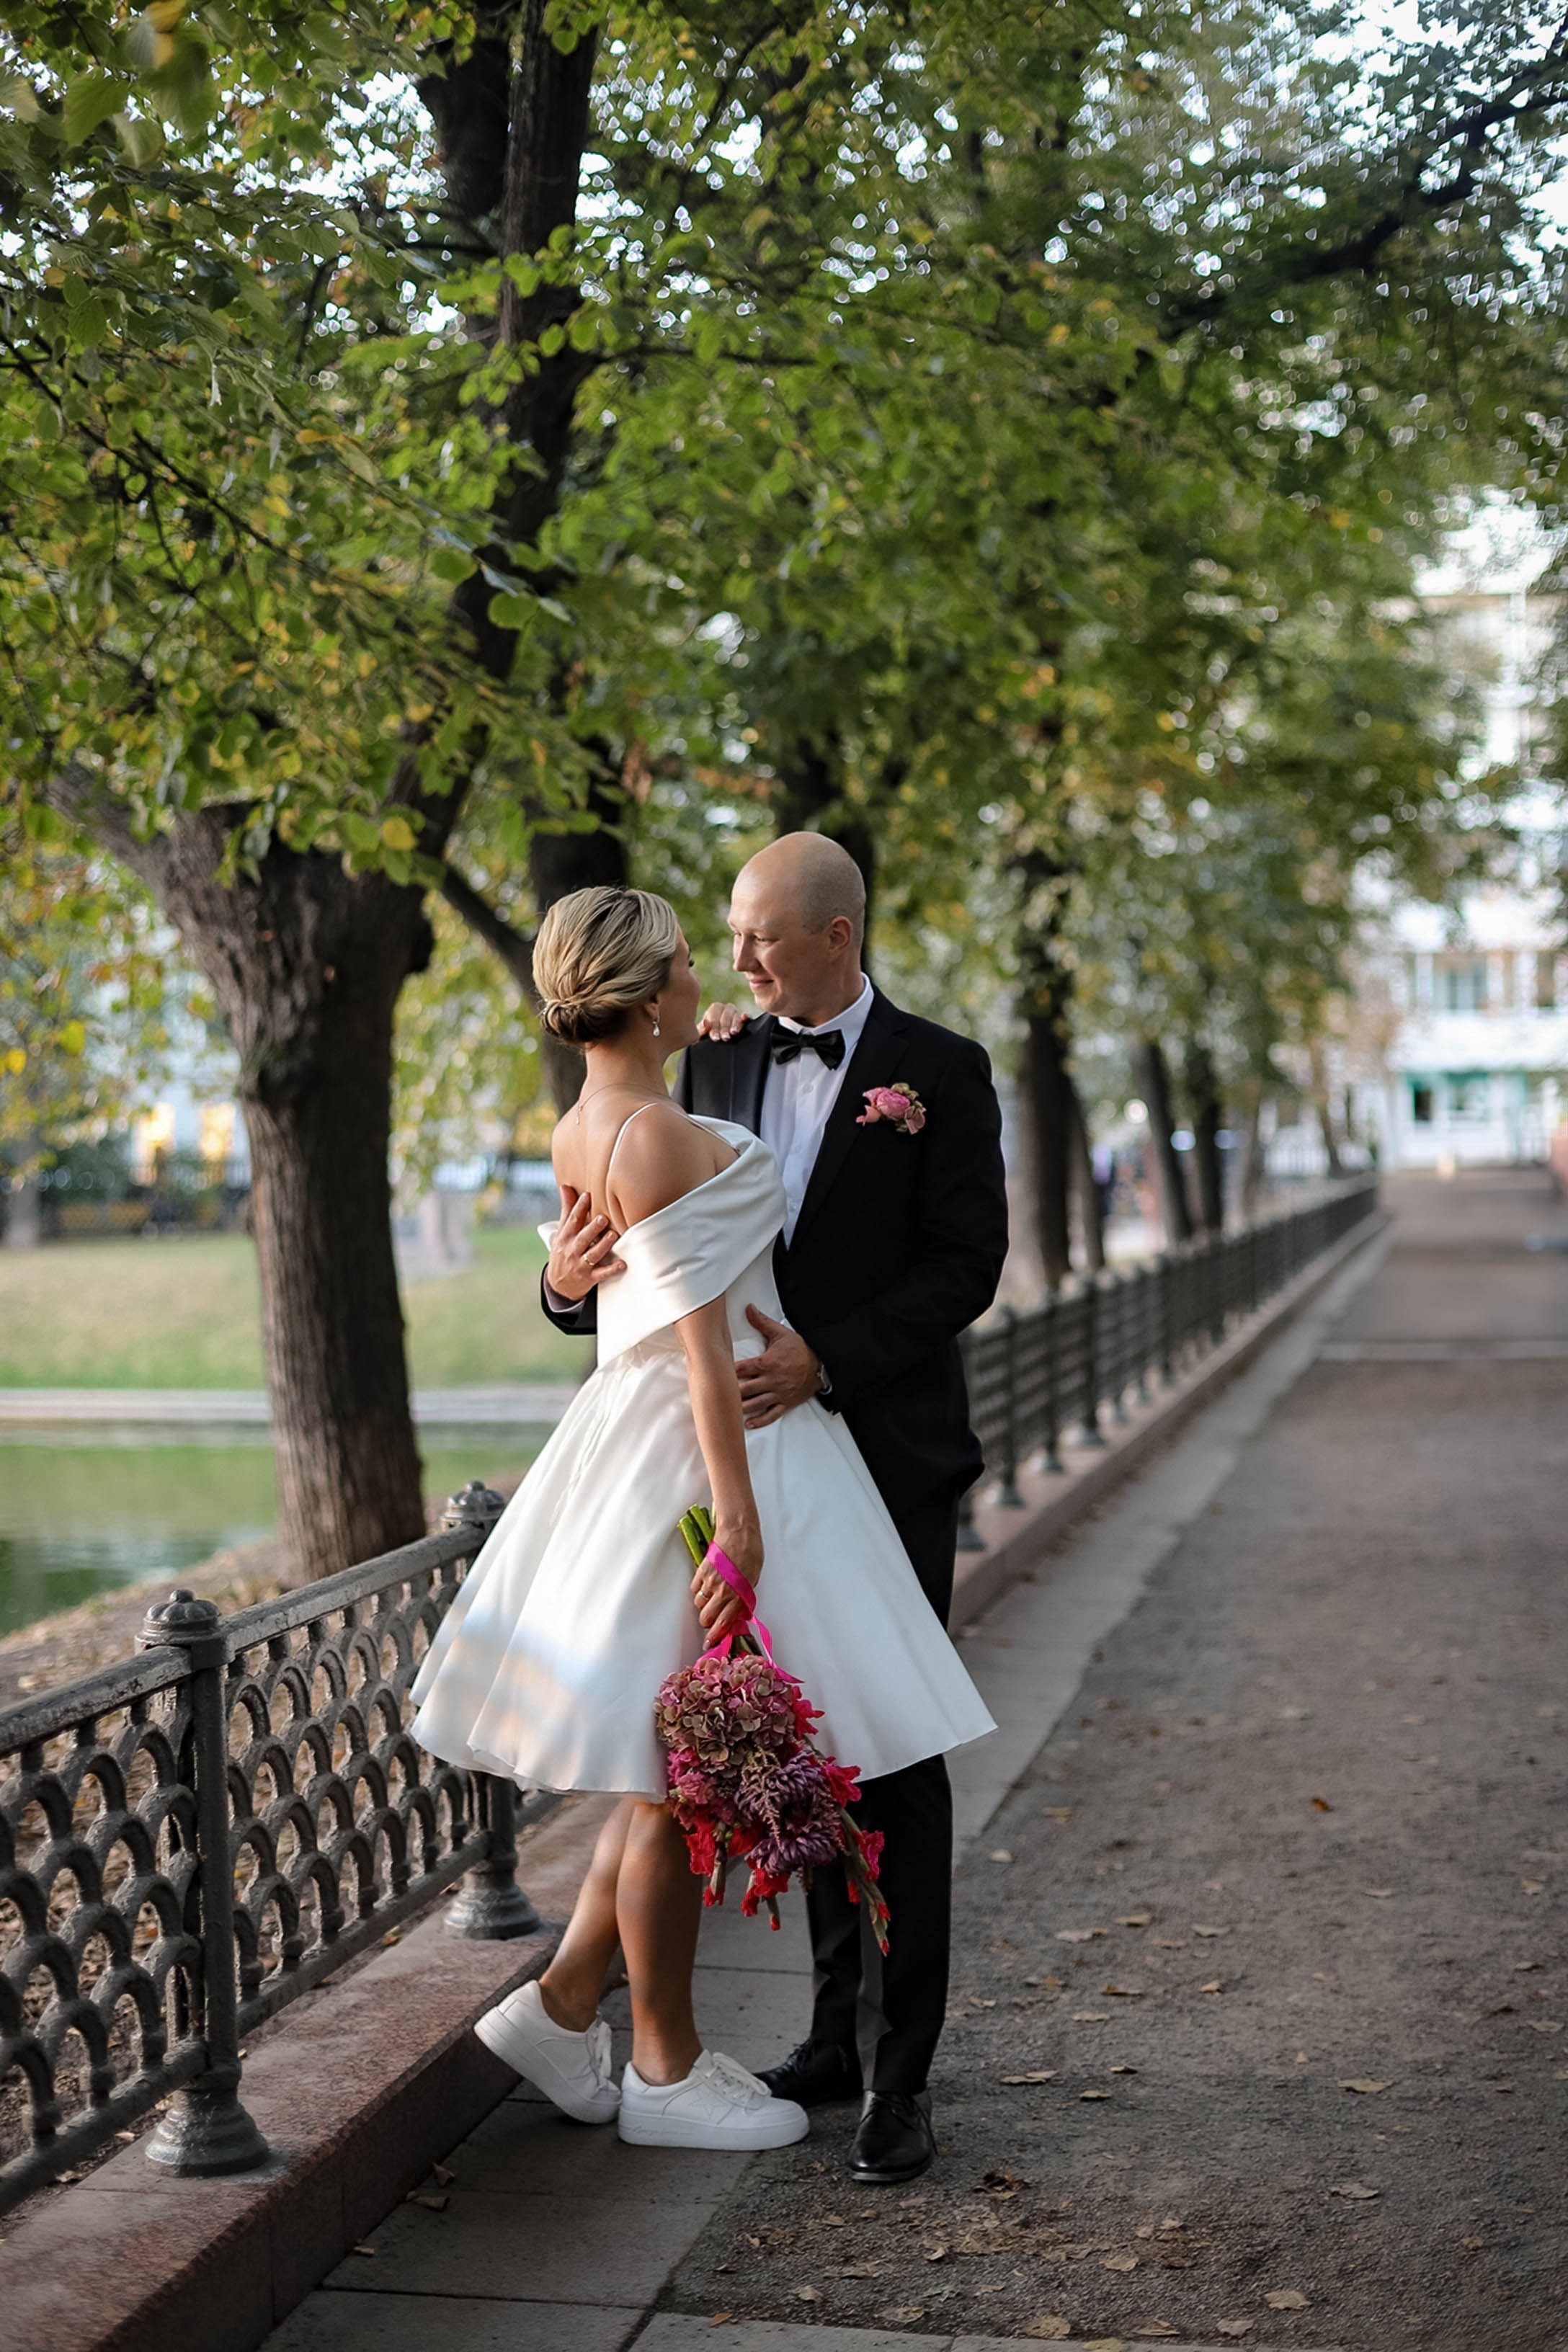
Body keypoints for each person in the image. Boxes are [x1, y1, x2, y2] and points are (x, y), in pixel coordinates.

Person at [410, 881, 994, 2158]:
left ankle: (895, 2073)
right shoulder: (697, 1079)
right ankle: (741, 2044)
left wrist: (823, 1361)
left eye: (754, 938)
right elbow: (639, 1281)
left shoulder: (939, 1071)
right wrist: (561, 1286)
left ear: (837, 936)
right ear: (649, 984)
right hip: (722, 1461)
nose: (727, 966)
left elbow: (967, 1266)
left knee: (878, 1763)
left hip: (859, 1441)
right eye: (705, 947)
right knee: (701, 1758)